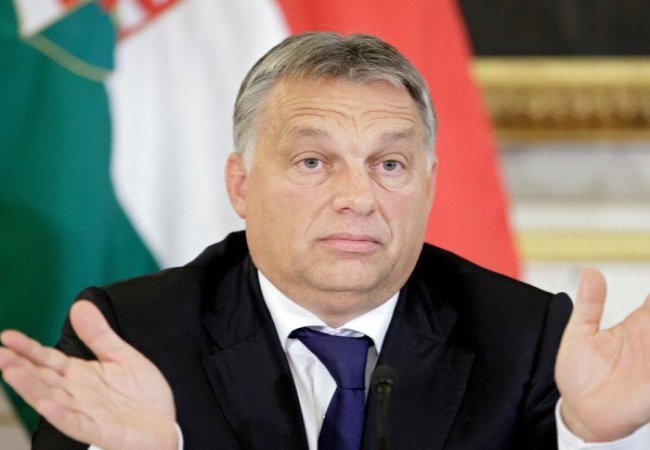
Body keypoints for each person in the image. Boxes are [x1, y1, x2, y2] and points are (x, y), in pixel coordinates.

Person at [1, 32, 649, 450]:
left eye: (389, 164)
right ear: (241, 185)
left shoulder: (528, 338)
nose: (357, 197)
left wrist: (596, 440)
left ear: (428, 185)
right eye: (313, 162)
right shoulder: (132, 336)